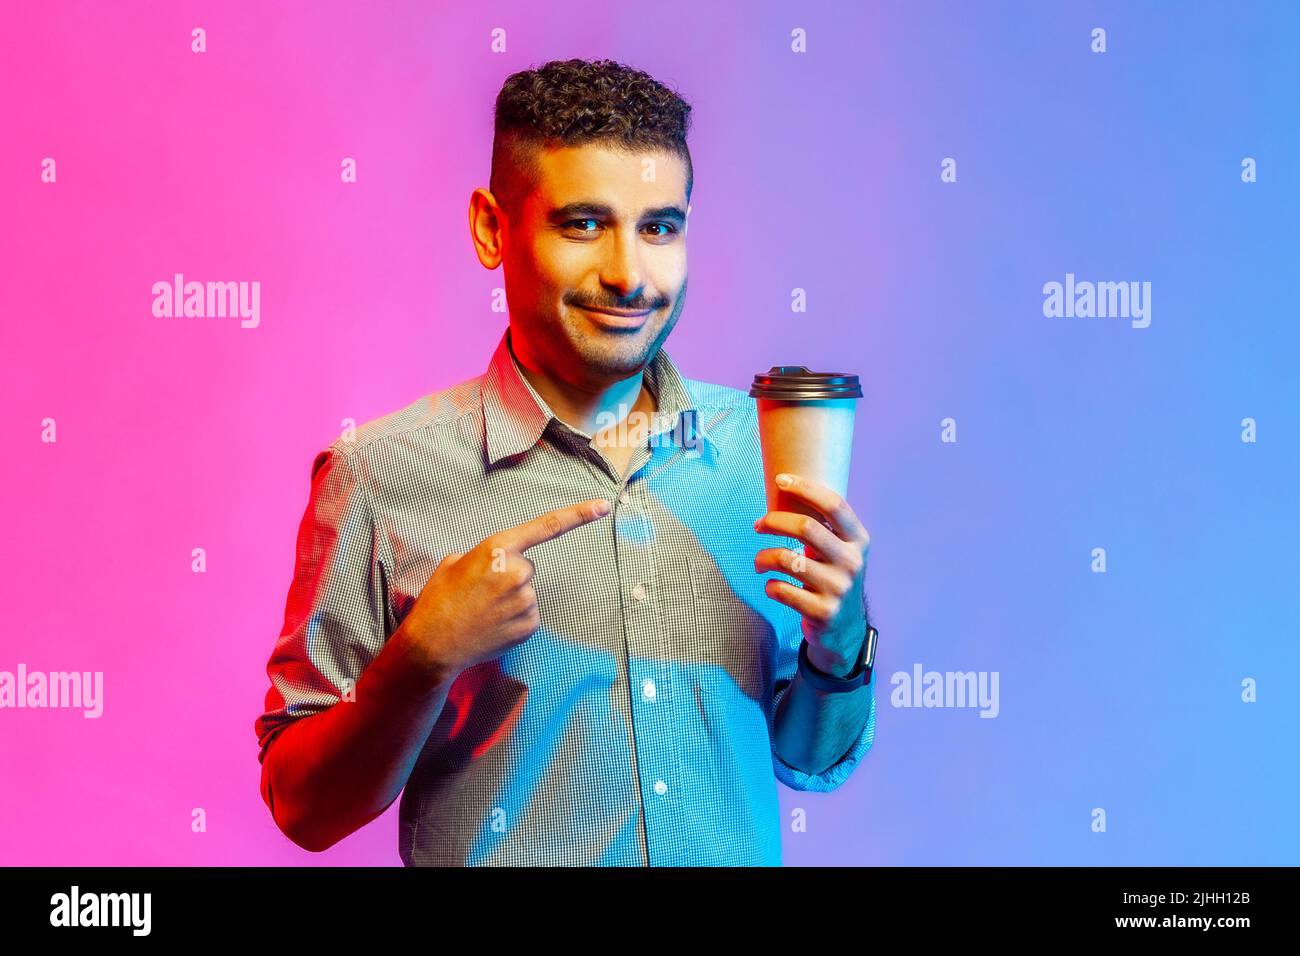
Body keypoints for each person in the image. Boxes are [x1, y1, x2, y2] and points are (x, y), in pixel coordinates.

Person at [254, 57, 877, 866]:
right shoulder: (377, 473)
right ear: (491, 228)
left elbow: (807, 760)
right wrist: (421, 660)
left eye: (659, 227)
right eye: (583, 224)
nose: (627, 275)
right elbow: (303, 809)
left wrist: (842, 651)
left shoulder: (760, 452)